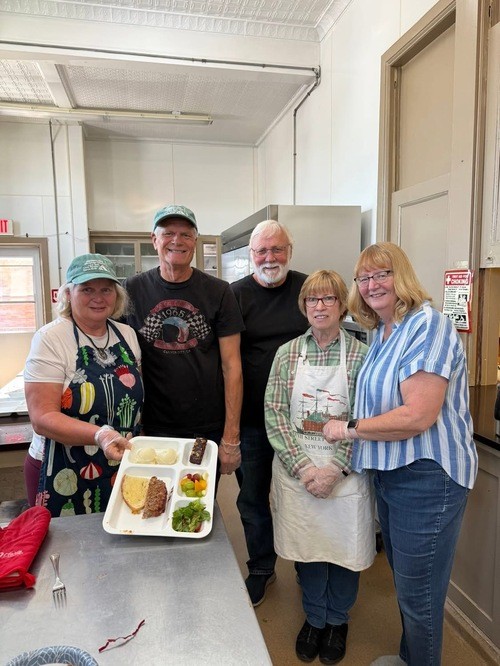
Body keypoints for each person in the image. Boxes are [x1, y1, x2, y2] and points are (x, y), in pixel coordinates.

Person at [323, 242, 478, 666]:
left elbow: (417, 416)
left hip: (426, 477)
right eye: (364, 277)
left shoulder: (427, 325)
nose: (372, 284)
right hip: (392, 474)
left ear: (402, 276)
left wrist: (349, 429)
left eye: (382, 274)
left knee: (420, 598)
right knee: (410, 589)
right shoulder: (385, 330)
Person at [265, 269, 375, 664]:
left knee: (345, 549)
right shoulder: (287, 354)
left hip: (345, 474)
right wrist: (305, 469)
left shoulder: (362, 356)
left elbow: (367, 418)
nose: (320, 306)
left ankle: (337, 621)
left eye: (329, 298)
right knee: (308, 548)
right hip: (299, 473)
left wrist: (335, 470)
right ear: (304, 306)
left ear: (342, 305)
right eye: (312, 299)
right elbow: (275, 413)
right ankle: (314, 618)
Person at [124, 204, 244, 477]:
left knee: (196, 496)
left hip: (205, 427)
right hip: (151, 426)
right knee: (153, 495)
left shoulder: (219, 292)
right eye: (168, 233)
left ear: (195, 242)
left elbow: (232, 367)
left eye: (186, 234)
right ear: (154, 239)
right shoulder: (131, 289)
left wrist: (231, 437)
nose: (177, 240)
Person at [24, 253, 143, 516]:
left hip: (119, 463)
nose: (98, 297)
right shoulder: (51, 338)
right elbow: (42, 418)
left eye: (106, 289)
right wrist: (100, 435)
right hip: (62, 469)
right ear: (68, 294)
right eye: (87, 289)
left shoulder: (127, 335)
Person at [230, 220, 308, 606]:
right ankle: (262, 567)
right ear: (251, 255)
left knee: (305, 495)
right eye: (261, 250)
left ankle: (308, 567)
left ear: (289, 251)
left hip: (304, 422)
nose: (269, 257)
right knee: (252, 498)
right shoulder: (235, 295)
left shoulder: (308, 290)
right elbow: (225, 361)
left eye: (277, 249)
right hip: (252, 421)